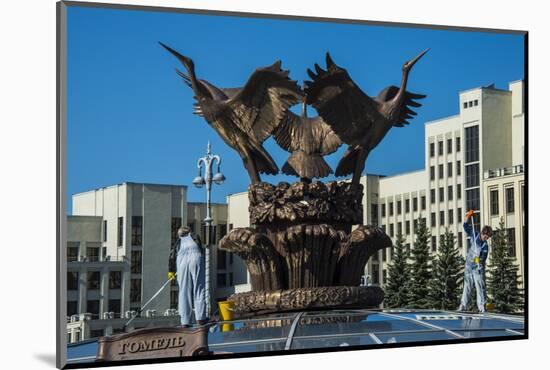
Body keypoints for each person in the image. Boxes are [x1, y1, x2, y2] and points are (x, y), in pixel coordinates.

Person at [168, 226, 208, 327]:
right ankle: (201, 318)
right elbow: (201, 248)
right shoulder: (194, 236)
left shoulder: (178, 242)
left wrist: (171, 271)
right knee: (199, 288)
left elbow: (172, 256)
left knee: (184, 290)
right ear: (189, 232)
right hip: (196, 257)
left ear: (180, 234)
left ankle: (185, 321)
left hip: (181, 260)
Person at [458, 210, 492, 313]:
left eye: (487, 237)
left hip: (477, 269)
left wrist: (479, 260)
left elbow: (483, 257)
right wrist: (468, 216)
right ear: (482, 233)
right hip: (468, 266)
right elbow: (465, 226)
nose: (486, 238)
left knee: (479, 286)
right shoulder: (474, 234)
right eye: (485, 236)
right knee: (467, 286)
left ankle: (481, 306)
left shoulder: (485, 245)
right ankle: (463, 305)